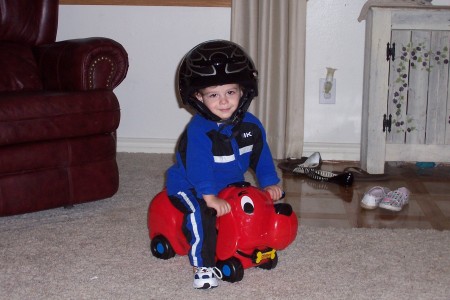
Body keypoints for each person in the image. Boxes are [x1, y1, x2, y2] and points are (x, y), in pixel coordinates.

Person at [166, 40, 283, 289]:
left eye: (230, 92)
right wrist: (208, 196)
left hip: (228, 185)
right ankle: (203, 264)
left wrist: (270, 182)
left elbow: (261, 155)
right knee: (202, 214)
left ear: (243, 91)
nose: (223, 101)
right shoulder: (199, 130)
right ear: (197, 97)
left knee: (254, 203)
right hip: (190, 186)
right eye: (213, 95)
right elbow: (198, 167)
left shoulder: (251, 125)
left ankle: (251, 247)